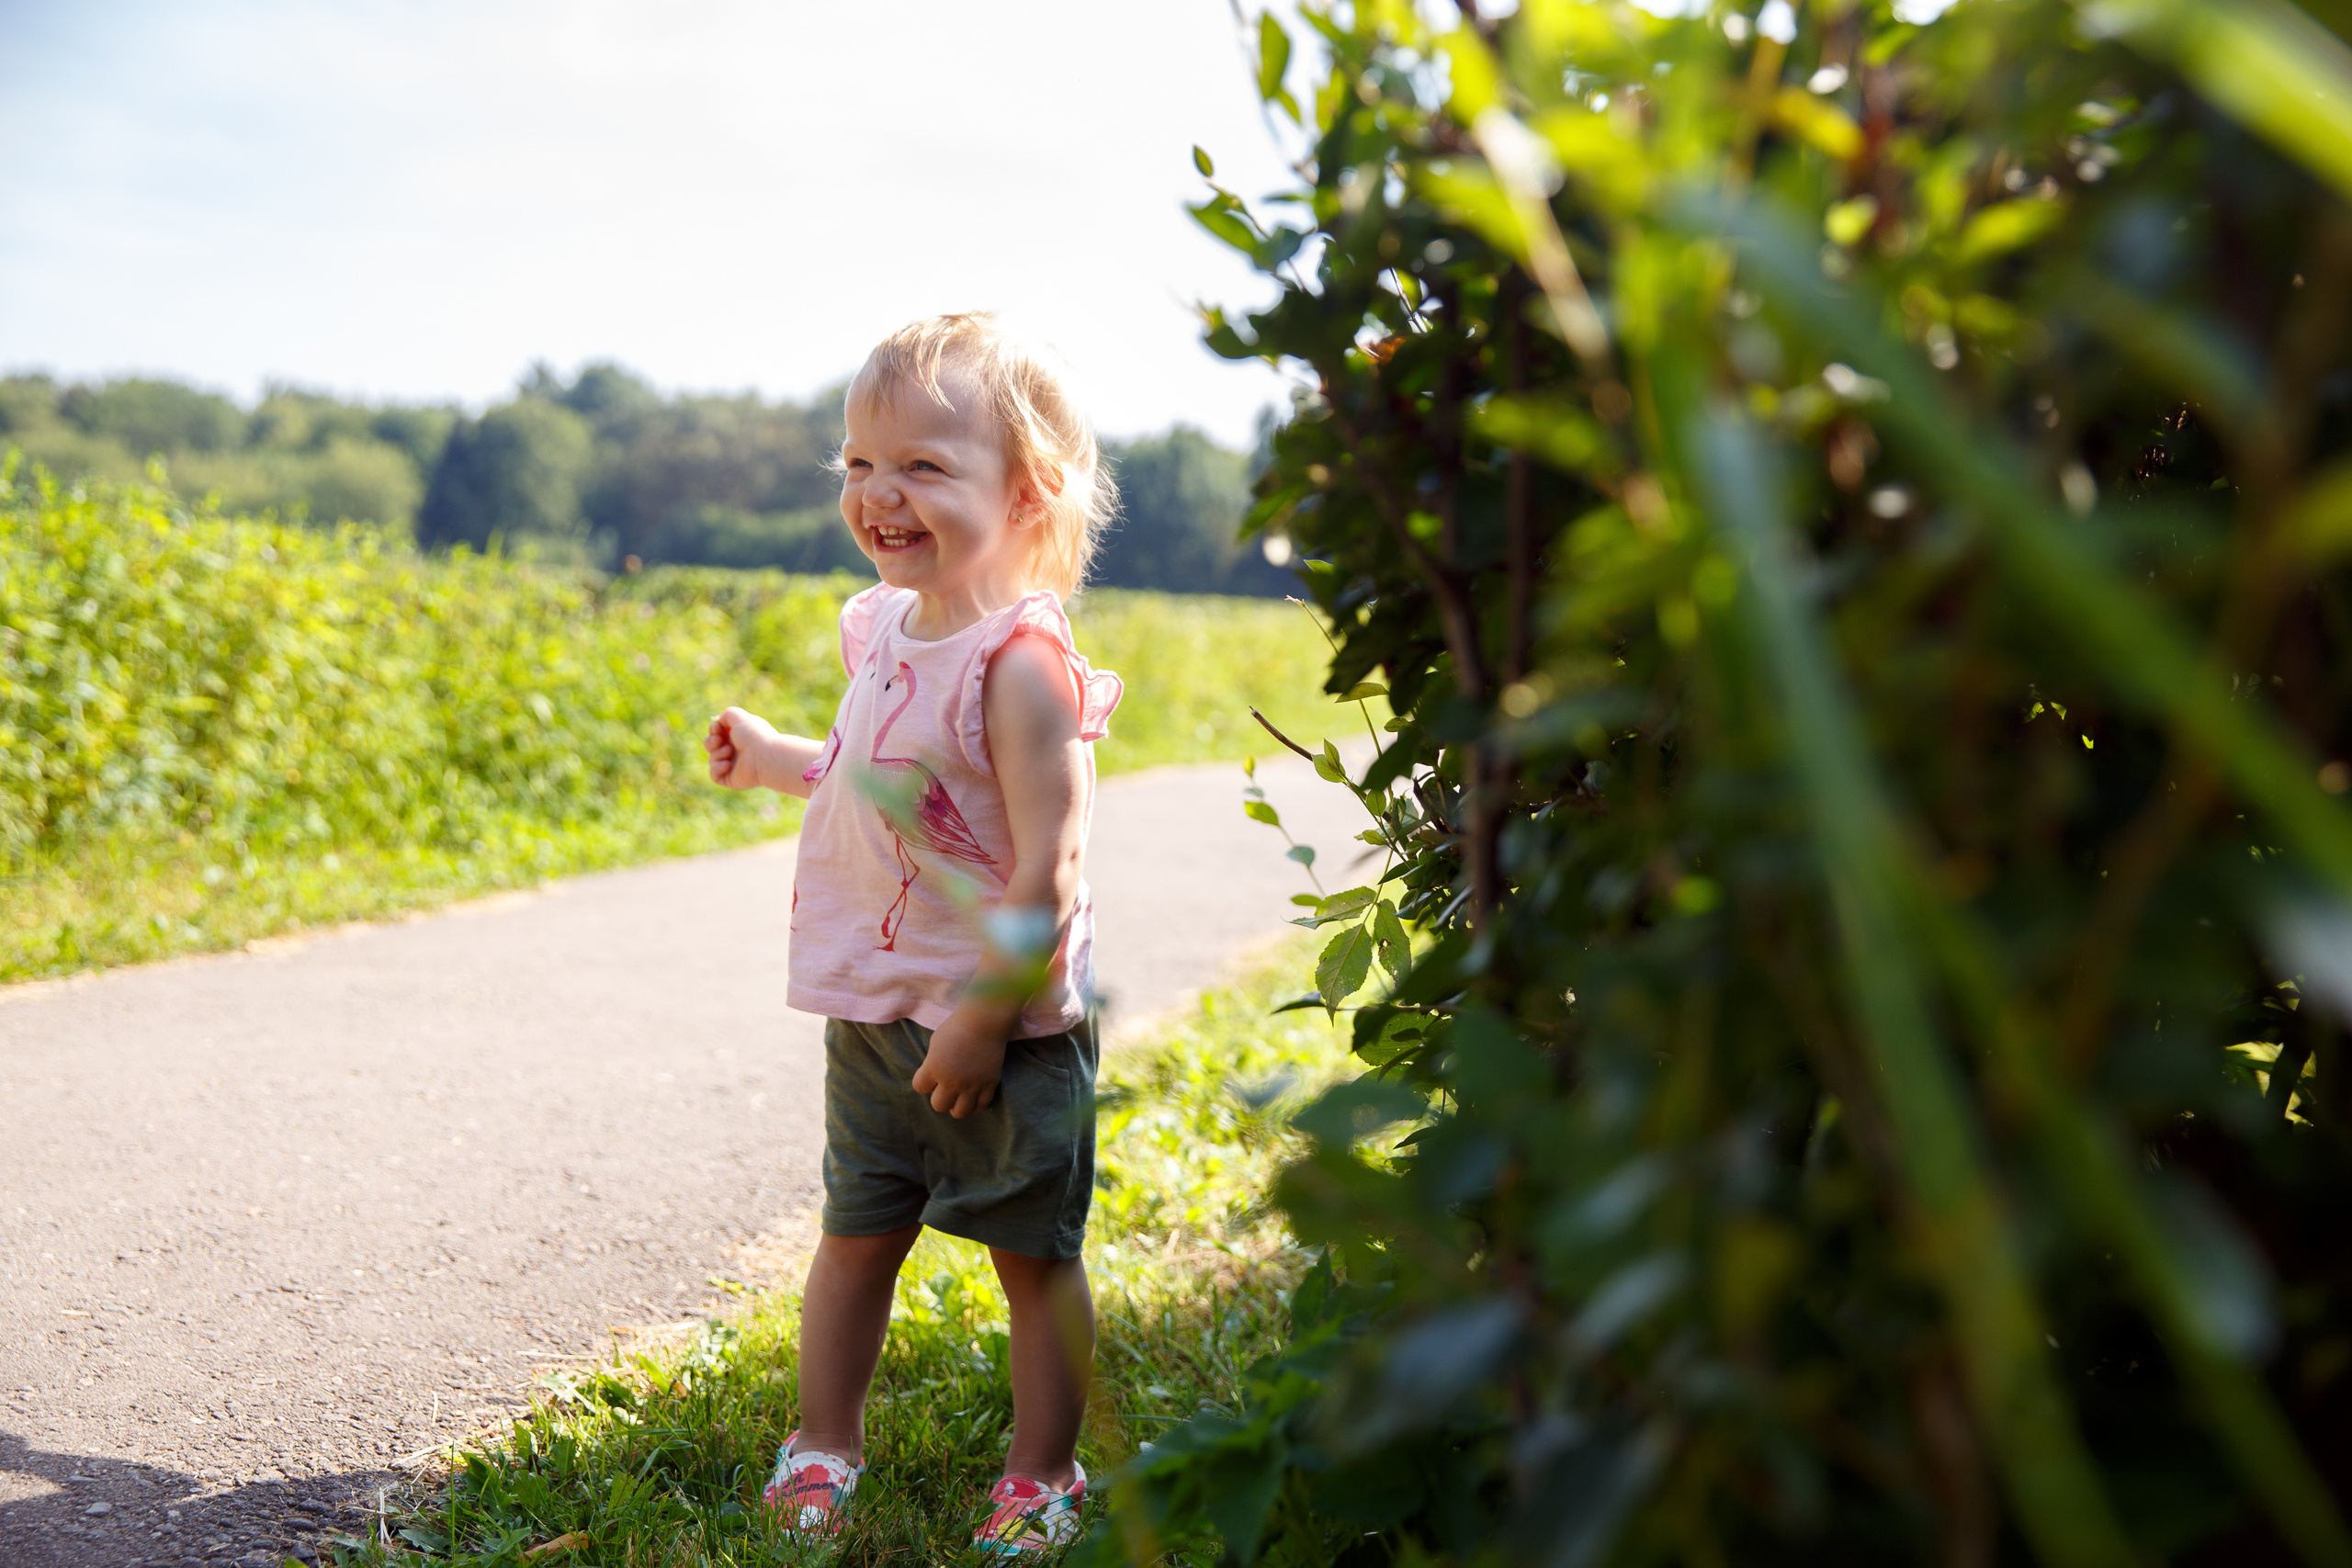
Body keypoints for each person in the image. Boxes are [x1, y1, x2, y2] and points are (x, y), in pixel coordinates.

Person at [703, 313, 1123, 1555]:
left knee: (1032, 1257)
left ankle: (1044, 1472)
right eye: (858, 463)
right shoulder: (882, 625)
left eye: (925, 466)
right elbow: (878, 774)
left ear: (1027, 488)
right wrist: (783, 761)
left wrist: (988, 1021)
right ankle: (822, 1442)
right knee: (856, 1235)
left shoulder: (1023, 665)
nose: (880, 494)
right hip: (880, 1011)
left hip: (1004, 1028)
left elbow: (1050, 865)